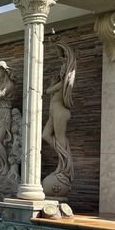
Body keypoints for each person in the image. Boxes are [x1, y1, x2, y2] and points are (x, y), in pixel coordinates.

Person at [42, 43, 76, 185]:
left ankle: (64, 167)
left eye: (63, 69)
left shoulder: (63, 84)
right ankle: (64, 160)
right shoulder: (60, 82)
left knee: (60, 137)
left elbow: (48, 91)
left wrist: (65, 52)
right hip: (53, 111)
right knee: (45, 135)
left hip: (60, 111)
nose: (61, 70)